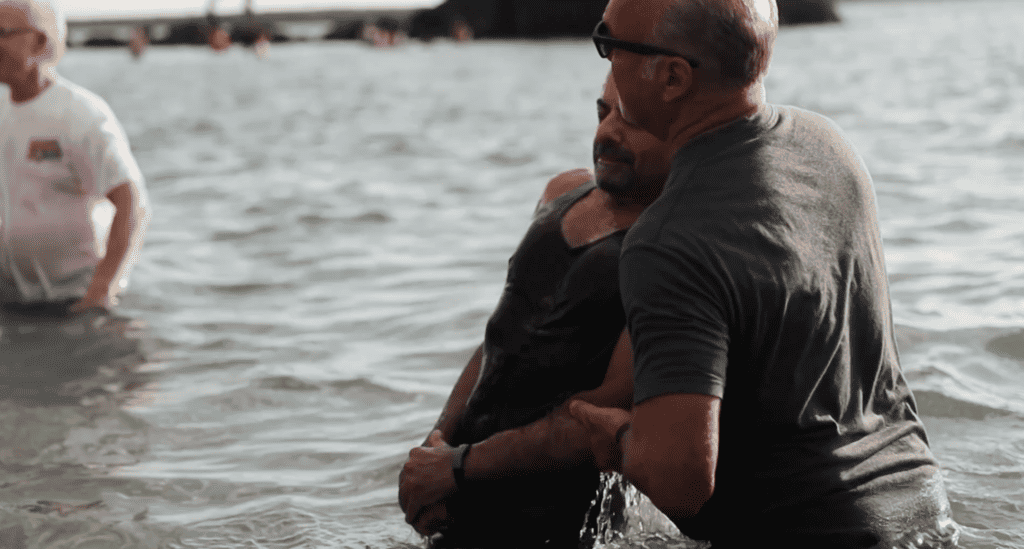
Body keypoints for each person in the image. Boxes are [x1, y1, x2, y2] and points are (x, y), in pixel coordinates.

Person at [569, 0, 960, 547]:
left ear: (673, 77)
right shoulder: (828, 145)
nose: (605, 62)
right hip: (924, 510)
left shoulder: (668, 240)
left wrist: (615, 438)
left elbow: (680, 482)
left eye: (608, 45)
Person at [398, 73, 674, 548]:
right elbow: (499, 342)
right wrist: (434, 448)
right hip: (459, 495)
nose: (606, 133)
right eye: (602, 112)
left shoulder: (676, 249)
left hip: (556, 525)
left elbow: (605, 409)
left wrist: (458, 467)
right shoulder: (561, 192)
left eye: (629, 119)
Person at [0, 0, 150, 316]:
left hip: (78, 306)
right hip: (14, 306)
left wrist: (101, 292)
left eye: (2, 33)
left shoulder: (80, 114)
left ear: (39, 41)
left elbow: (131, 201)